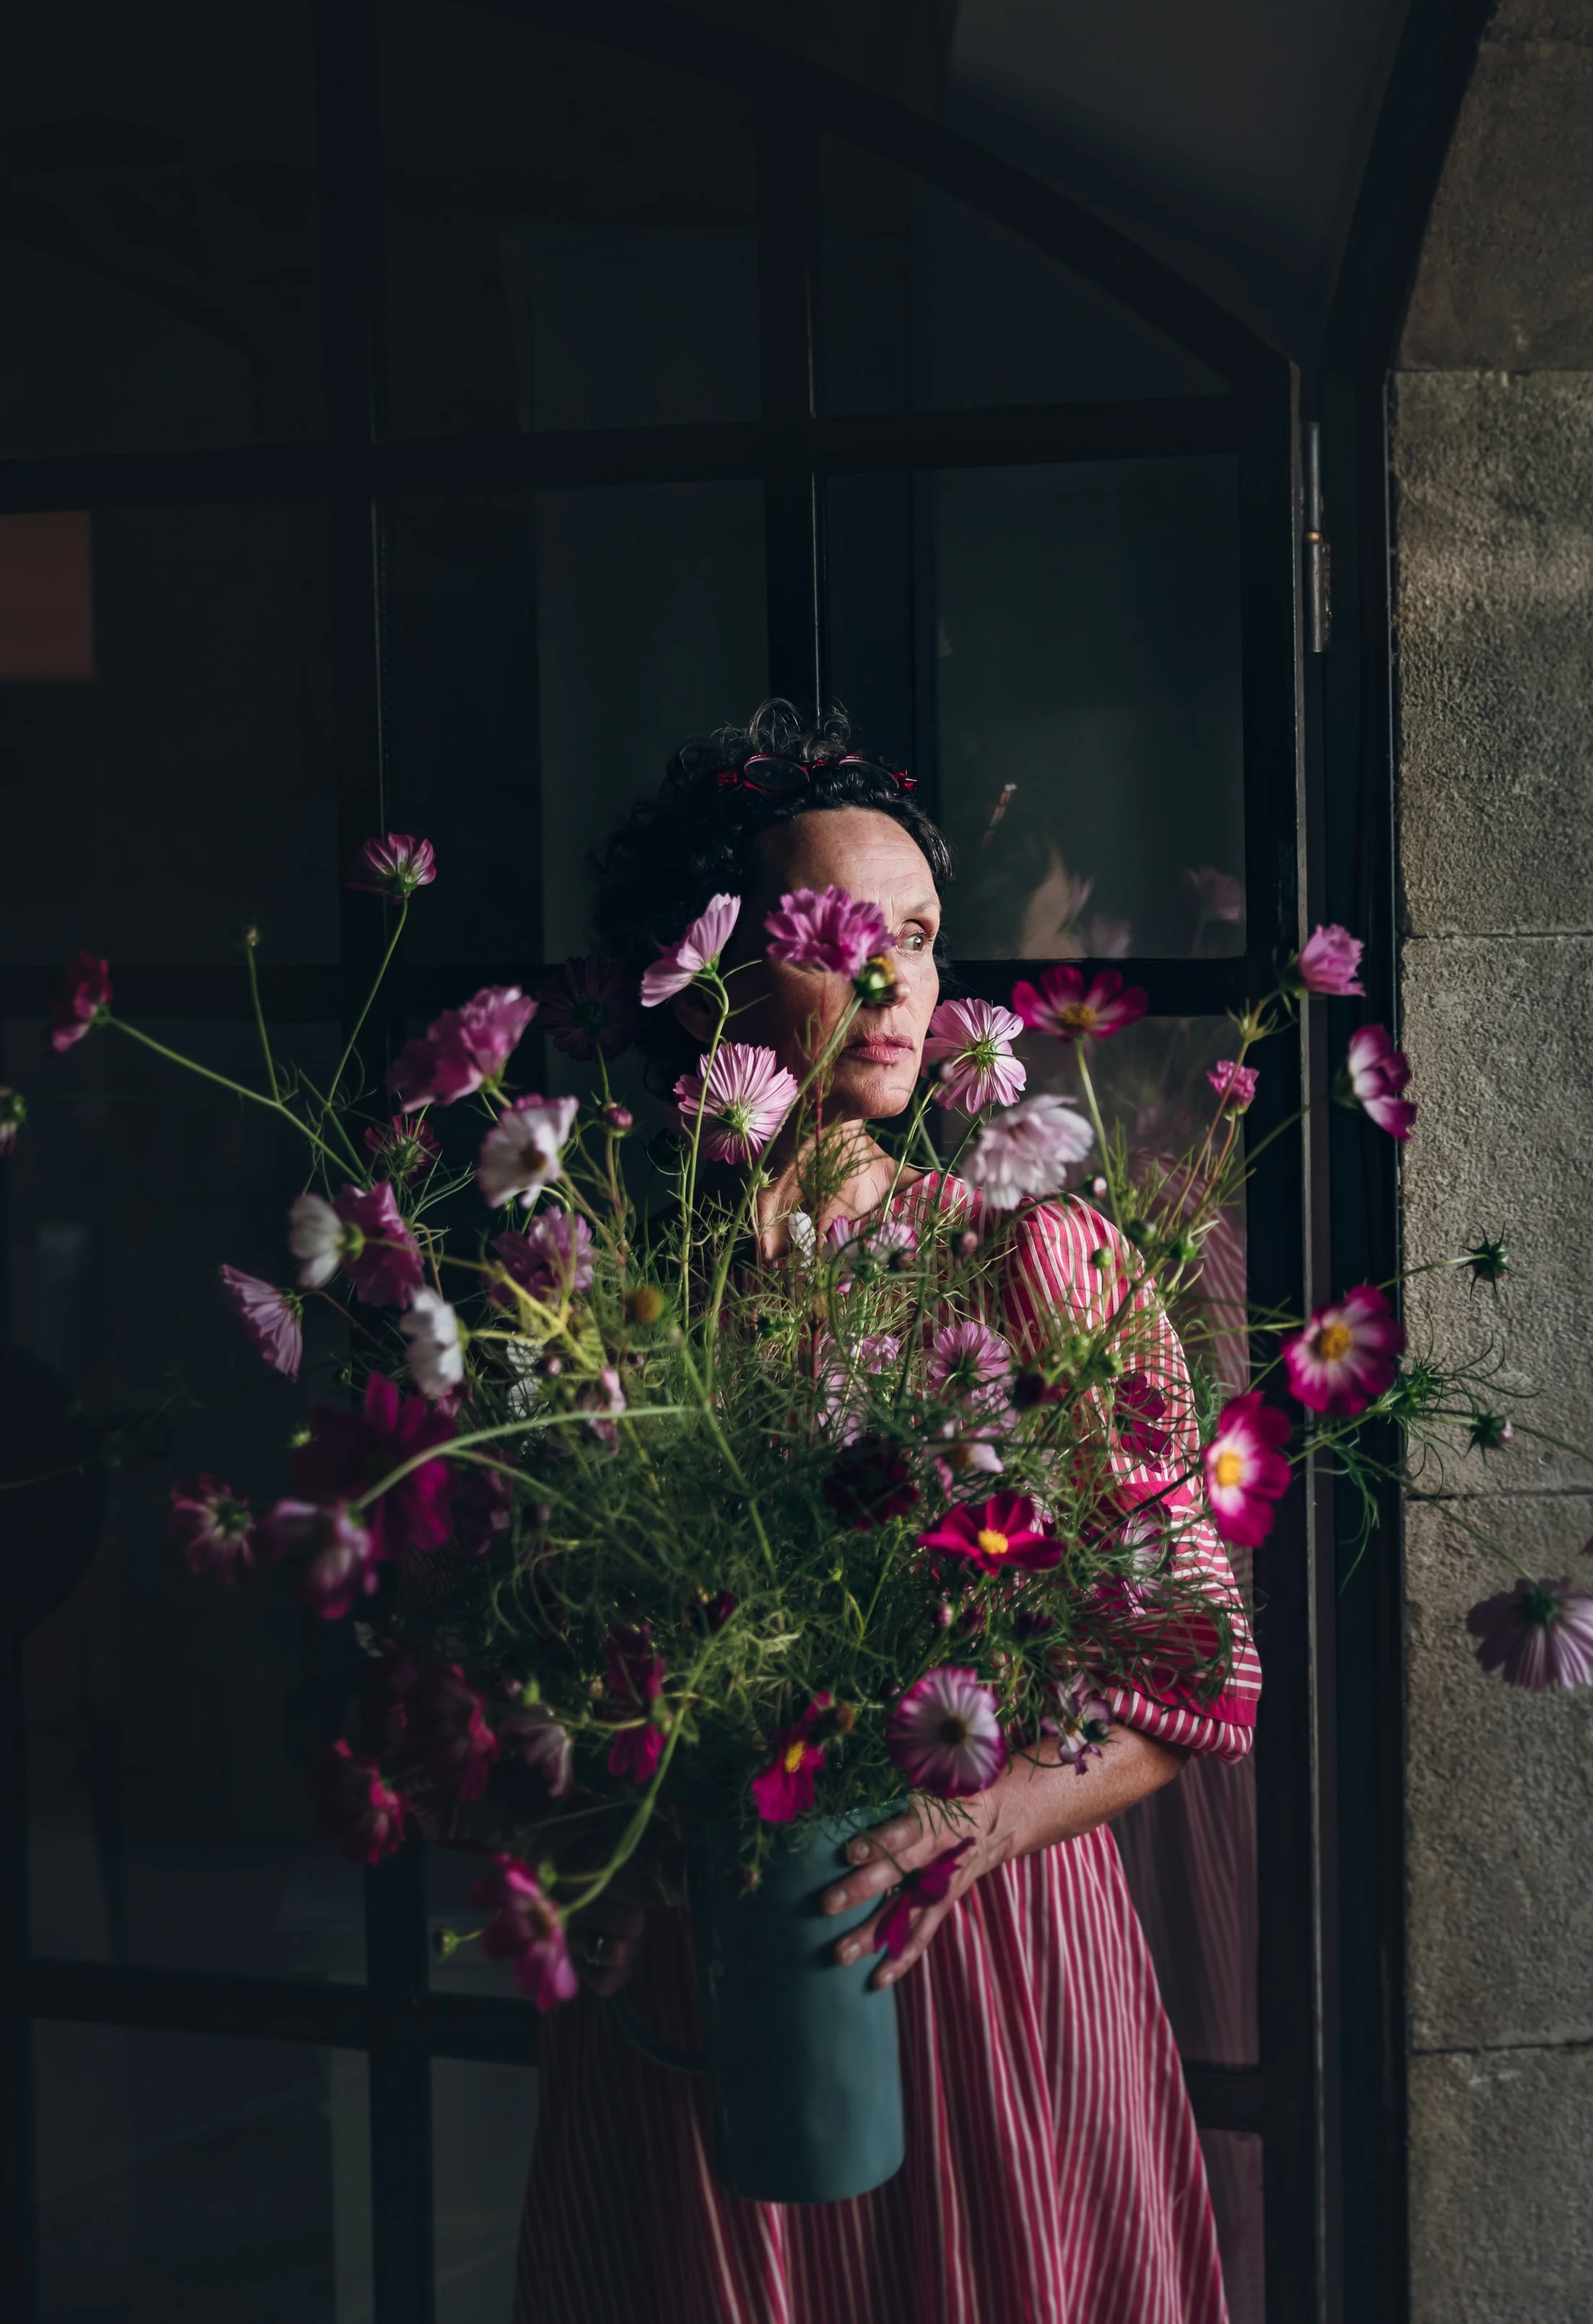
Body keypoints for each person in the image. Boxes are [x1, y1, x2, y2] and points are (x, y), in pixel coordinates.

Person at [510, 703, 1259, 2324]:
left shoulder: (1033, 1261)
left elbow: (1191, 1676)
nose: (896, 979)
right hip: (708, 1967)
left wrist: (967, 1826)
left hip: (976, 1948)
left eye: (916, 936)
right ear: (701, 972)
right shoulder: (595, 1303)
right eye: (838, 934)